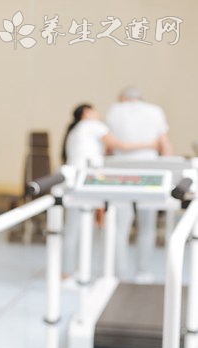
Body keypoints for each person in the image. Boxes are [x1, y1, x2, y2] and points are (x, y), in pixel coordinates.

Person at [60, 103, 157, 281]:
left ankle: (67, 273)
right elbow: (119, 145)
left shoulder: (75, 130)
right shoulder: (93, 125)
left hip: (73, 179)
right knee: (109, 223)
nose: (99, 113)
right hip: (87, 180)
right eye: (95, 110)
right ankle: (110, 273)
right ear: (86, 112)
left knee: (72, 229)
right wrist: (150, 145)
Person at [106, 86, 172, 282]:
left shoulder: (114, 110)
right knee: (147, 225)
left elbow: (109, 147)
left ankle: (118, 273)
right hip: (149, 172)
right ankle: (143, 272)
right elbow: (164, 144)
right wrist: (169, 172)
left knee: (119, 226)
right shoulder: (155, 111)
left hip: (120, 172)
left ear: (124, 98)